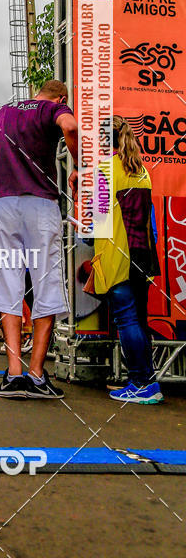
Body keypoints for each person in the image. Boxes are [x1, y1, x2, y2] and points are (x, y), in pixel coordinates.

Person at [0, 79, 78, 399]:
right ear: (63, 96)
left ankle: (14, 374)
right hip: (40, 205)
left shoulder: (1, 112)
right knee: (46, 285)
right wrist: (79, 166)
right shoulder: (53, 108)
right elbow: (70, 128)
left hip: (3, 206)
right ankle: (37, 376)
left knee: (8, 284)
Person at [91, 116, 162, 404]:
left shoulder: (105, 169)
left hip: (117, 254)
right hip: (143, 255)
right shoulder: (143, 170)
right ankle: (148, 382)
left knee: (127, 320)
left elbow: (99, 219)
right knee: (139, 321)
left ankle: (140, 383)